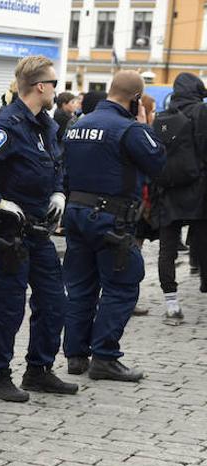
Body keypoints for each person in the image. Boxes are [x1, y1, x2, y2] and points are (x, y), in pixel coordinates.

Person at [0, 55, 78, 403]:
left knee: (54, 301)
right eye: (54, 83)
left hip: (40, 228)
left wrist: (58, 190)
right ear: (40, 86)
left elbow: (56, 162)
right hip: (10, 229)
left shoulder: (46, 125)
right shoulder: (8, 124)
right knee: (7, 306)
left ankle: (39, 369)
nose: (57, 89)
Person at [62, 70, 166, 382]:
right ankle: (105, 357)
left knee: (80, 286)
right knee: (122, 285)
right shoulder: (129, 129)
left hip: (77, 213)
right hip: (111, 218)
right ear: (136, 99)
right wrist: (146, 127)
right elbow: (158, 161)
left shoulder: (80, 123)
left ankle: (76, 355)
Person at [149, 72, 207, 325]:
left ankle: (171, 303)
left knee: (167, 249)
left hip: (168, 190)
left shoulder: (162, 117)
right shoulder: (201, 112)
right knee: (203, 241)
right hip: (199, 188)